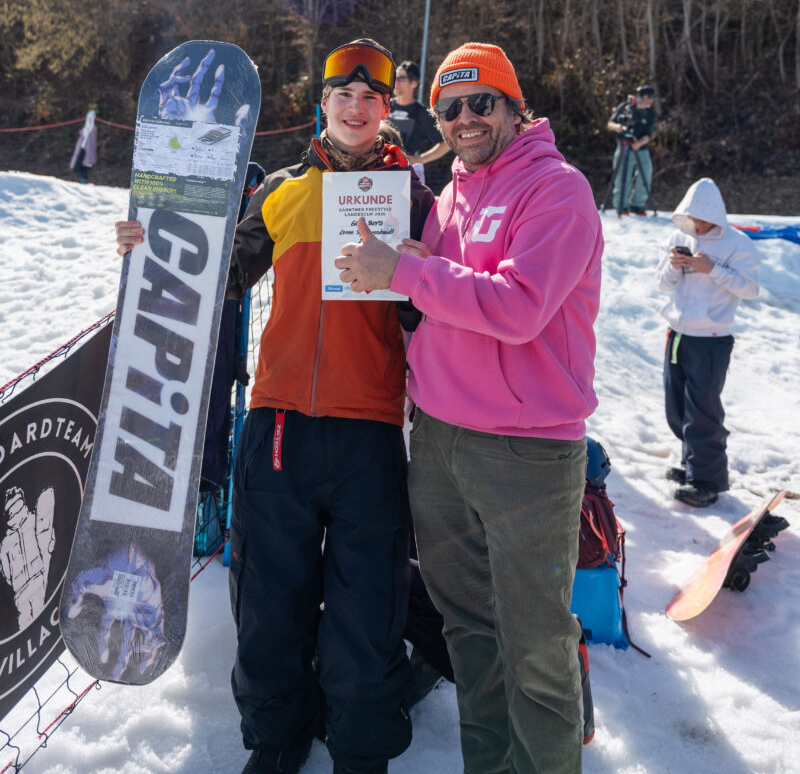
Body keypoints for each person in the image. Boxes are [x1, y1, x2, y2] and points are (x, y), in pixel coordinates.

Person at [115, 38, 435, 774]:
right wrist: (150, 247)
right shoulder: (285, 190)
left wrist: (420, 279)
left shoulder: (416, 201)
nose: (357, 109)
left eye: (371, 98)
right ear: (323, 104)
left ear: (386, 110)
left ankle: (360, 750)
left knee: (366, 608)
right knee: (269, 599)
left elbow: (436, 317)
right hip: (280, 423)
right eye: (344, 96)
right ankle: (277, 737)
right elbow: (218, 276)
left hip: (369, 429)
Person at [335, 41, 604, 774]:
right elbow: (436, 299)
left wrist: (409, 272)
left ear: (514, 107)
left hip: (526, 451)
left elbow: (519, 307)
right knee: (469, 633)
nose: (464, 119)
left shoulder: (557, 189)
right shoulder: (450, 195)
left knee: (536, 644)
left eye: (481, 102)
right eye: (449, 108)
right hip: (440, 438)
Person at [656, 177, 760, 508]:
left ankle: (707, 481)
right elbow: (663, 284)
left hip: (711, 340)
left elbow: (750, 288)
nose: (697, 225)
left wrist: (712, 269)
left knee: (702, 410)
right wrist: (674, 266)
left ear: (716, 215)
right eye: (692, 218)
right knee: (677, 407)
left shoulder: (738, 243)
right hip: (677, 333)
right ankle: (692, 465)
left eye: (703, 219)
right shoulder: (679, 237)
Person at [389, 60, 450, 190]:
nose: (396, 82)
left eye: (401, 78)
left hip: (403, 178)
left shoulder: (422, 113)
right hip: (376, 171)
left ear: (414, 83)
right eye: (395, 78)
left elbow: (447, 142)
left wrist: (421, 159)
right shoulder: (384, 106)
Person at [606, 85, 656, 214]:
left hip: (641, 149)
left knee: (645, 176)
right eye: (649, 97)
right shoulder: (625, 107)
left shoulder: (650, 113)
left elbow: (648, 135)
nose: (652, 100)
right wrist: (618, 127)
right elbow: (610, 124)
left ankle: (637, 205)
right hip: (624, 147)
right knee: (622, 178)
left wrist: (639, 143)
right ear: (643, 97)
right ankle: (621, 206)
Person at [70, 108, 97, 184]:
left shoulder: (93, 130)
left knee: (85, 168)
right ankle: (79, 182)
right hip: (82, 149)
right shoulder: (84, 130)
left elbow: (92, 139)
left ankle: (82, 182)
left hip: (87, 151)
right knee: (78, 165)